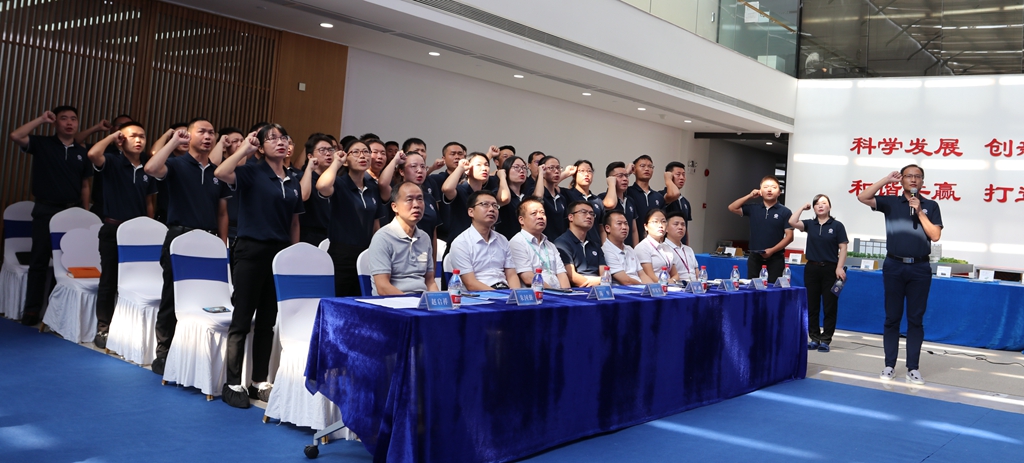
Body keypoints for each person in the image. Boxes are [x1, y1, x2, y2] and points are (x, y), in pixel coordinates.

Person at [214, 124, 303, 408]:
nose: (280, 142)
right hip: (251, 250)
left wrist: (292, 256)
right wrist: (244, 149)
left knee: (267, 321)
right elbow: (221, 172)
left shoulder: (292, 180)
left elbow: (294, 223)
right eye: (272, 138)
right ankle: (232, 382)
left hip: (278, 255)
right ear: (261, 147)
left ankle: (259, 381)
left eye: (283, 137)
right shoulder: (251, 171)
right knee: (242, 319)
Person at [144, 118, 229, 375]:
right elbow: (150, 168)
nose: (208, 136)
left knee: (206, 297)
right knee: (172, 297)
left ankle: (194, 351)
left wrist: (222, 245)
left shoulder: (218, 172)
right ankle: (164, 352)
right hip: (180, 238)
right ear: (189, 136)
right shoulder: (175, 164)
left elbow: (222, 213)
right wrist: (173, 142)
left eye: (211, 132)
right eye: (201, 132)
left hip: (210, 241)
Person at [9, 107, 94, 327]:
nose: (69, 123)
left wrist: (85, 213)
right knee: (39, 260)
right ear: (55, 122)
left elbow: (85, 185)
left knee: (67, 264)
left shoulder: (82, 152)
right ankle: (32, 309)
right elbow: (16, 136)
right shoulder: (43, 144)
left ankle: (57, 312)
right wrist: (41, 119)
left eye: (73, 119)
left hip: (72, 213)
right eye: (64, 118)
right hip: (45, 210)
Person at [857, 165, 942, 385]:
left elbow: (935, 235)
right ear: (902, 180)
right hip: (894, 266)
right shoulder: (891, 202)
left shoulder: (931, 205)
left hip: (920, 268)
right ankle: (889, 365)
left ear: (922, 182)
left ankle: (913, 368)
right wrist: (886, 180)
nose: (913, 179)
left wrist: (920, 211)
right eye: (909, 176)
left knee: (915, 319)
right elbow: (863, 197)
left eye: (917, 177)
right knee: (892, 317)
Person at [86, 122, 157, 349]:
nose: (138, 140)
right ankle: (103, 327)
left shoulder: (148, 167)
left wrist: (149, 227)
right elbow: (92, 154)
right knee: (109, 280)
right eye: (132, 136)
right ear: (121, 140)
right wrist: (112, 137)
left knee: (136, 281)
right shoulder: (112, 161)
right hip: (113, 229)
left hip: (139, 233)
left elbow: (149, 202)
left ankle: (130, 328)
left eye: (142, 136)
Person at [316, 138, 384, 297]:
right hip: (342, 255)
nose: (363, 156)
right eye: (356, 152)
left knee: (363, 301)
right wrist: (336, 162)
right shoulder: (339, 183)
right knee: (339, 301)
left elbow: (376, 225)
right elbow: (322, 186)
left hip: (366, 254)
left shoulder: (372, 187)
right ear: (346, 160)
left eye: (366, 152)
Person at [790, 194, 848, 353]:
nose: (820, 206)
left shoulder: (837, 226)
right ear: (814, 208)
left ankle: (826, 339)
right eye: (817, 204)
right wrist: (803, 208)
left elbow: (843, 248)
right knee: (812, 305)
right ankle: (814, 338)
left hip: (831, 270)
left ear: (830, 206)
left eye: (824, 203)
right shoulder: (810, 224)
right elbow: (792, 222)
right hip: (812, 269)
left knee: (830, 306)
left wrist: (839, 267)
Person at [365, 182, 438, 295]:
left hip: (421, 300)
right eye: (409, 200)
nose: (416, 205)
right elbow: (383, 287)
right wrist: (410, 302)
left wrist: (438, 301)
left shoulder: (424, 237)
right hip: (393, 301)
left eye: (420, 199)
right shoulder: (382, 238)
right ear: (395, 207)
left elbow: (430, 281)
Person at [447, 190, 520, 291]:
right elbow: (470, 283)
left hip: (504, 291)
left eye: (495, 206)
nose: (491, 209)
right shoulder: (461, 243)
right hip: (478, 295)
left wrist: (515, 294)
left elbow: (511, 275)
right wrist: (501, 296)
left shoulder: (502, 240)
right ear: (471, 212)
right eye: (485, 204)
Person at [728, 175, 794, 281]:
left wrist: (772, 250)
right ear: (760, 191)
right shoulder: (753, 208)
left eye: (773, 187)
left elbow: (789, 237)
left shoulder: (785, 212)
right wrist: (749, 196)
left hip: (775, 258)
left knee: (773, 288)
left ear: (779, 192)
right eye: (766, 187)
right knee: (753, 287)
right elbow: (732, 207)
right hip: (755, 257)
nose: (769, 190)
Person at [442, 149, 508, 245]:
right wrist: (460, 168)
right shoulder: (460, 190)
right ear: (467, 169)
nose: (484, 168)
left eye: (486, 165)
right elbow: (447, 188)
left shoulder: (487, 195)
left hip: (485, 245)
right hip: (460, 244)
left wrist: (502, 177)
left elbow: (504, 199)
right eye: (478, 165)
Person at [508, 198, 570, 289]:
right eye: (534, 213)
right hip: (536, 294)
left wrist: (566, 293)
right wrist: (555, 293)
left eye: (542, 213)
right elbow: (528, 278)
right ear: (521, 220)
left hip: (557, 293)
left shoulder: (550, 245)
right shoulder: (516, 242)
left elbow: (561, 274)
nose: (540, 217)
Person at [555, 201, 605, 287]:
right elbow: (572, 276)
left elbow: (605, 274)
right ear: (571, 217)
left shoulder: (595, 245)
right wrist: (600, 281)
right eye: (583, 212)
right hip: (577, 290)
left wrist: (602, 281)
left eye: (592, 214)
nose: (589, 216)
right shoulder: (562, 243)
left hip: (599, 289)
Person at [297, 133, 334, 246]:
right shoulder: (302, 177)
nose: (328, 153)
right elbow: (303, 196)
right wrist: (309, 169)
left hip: (331, 235)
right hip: (309, 235)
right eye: (322, 150)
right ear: (310, 156)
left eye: (330, 150)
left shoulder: (335, 180)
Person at [428, 141, 467, 242]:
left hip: (467, 234)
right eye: (453, 154)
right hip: (442, 236)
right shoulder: (436, 179)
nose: (457, 157)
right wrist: (432, 168)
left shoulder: (470, 180)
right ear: (444, 159)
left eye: (460, 154)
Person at [151, 122, 189, 224]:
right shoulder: (166, 159)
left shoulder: (197, 161)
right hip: (166, 214)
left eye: (188, 135)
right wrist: (167, 134)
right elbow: (154, 154)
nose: (185, 139)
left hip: (189, 216)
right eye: (180, 135)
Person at [601, 210, 650, 285]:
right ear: (608, 228)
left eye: (626, 224)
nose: (624, 227)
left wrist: (654, 287)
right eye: (619, 224)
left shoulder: (629, 249)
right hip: (625, 290)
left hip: (639, 287)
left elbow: (642, 274)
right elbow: (626, 281)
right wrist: (645, 287)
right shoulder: (606, 251)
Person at [562, 159, 604, 244]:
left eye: (589, 171)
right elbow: (550, 185)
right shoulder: (566, 194)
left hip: (594, 245)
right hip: (574, 244)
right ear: (574, 175)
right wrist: (566, 173)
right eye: (582, 171)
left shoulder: (597, 200)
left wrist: (603, 246)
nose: (586, 174)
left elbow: (601, 229)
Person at [599, 161, 639, 246]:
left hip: (628, 249)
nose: (625, 179)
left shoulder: (630, 200)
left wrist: (635, 249)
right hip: (611, 249)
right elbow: (602, 229)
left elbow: (634, 230)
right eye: (620, 176)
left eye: (626, 176)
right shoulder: (602, 198)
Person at [626, 155, 665, 241]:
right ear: (634, 170)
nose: (647, 169)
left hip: (654, 244)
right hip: (632, 243)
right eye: (642, 166)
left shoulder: (658, 196)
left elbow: (663, 222)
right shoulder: (627, 192)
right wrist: (626, 173)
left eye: (650, 166)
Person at [635, 209, 679, 283]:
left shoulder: (666, 247)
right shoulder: (642, 247)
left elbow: (676, 275)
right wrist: (667, 283)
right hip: (655, 286)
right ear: (646, 226)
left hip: (670, 286)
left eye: (663, 221)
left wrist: (672, 281)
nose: (660, 225)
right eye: (655, 222)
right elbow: (650, 276)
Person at [532, 155, 568, 242]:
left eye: (558, 168)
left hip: (560, 243)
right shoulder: (534, 191)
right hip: (543, 242)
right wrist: (540, 173)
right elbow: (538, 198)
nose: (556, 171)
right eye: (551, 168)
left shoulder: (561, 198)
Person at [495, 156, 529, 241]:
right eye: (516, 167)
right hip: (506, 241)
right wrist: (502, 177)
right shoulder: (498, 192)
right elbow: (505, 199)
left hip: (526, 243)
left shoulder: (526, 196)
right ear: (506, 171)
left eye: (524, 168)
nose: (521, 171)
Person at [662, 161, 693, 245]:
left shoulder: (685, 202)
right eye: (678, 174)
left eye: (683, 174)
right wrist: (668, 179)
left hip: (681, 246)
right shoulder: (661, 195)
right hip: (666, 245)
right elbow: (675, 194)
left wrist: (686, 247)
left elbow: (685, 227)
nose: (682, 178)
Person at [663, 211, 698, 282]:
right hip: (676, 286)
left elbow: (696, 270)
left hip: (694, 285)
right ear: (666, 228)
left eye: (683, 225)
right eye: (676, 224)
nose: (680, 227)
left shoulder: (689, 249)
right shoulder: (663, 249)